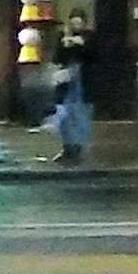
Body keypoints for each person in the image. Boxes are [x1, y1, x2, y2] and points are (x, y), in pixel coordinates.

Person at [50, 12, 93, 165]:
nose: (76, 27)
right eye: (73, 23)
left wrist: (82, 44)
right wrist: (65, 45)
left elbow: (94, 57)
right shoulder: (63, 36)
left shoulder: (89, 38)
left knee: (80, 115)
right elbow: (57, 58)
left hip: (82, 82)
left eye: (79, 23)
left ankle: (78, 148)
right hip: (66, 82)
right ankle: (67, 147)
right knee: (65, 115)